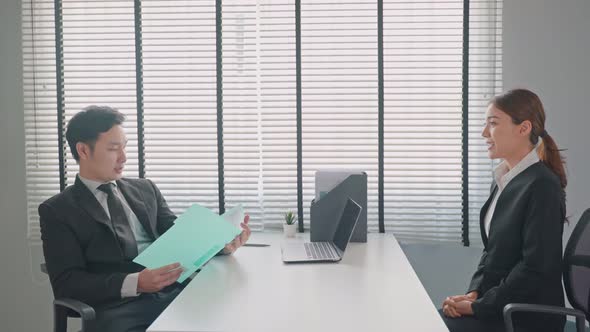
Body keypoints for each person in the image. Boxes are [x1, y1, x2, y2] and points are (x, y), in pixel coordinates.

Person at [39, 106, 251, 332]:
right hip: (120, 309)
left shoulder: (145, 189)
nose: (123, 157)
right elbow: (67, 283)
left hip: (176, 297)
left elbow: (180, 236)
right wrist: (136, 282)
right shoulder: (58, 210)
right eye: (113, 149)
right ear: (83, 150)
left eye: (124, 147)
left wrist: (219, 245)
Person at [440, 89, 567, 332]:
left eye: (493, 124)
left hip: (525, 317)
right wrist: (473, 293)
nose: (484, 133)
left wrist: (480, 306)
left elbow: (535, 268)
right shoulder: (504, 178)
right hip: (499, 305)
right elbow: (493, 252)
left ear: (523, 128)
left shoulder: (542, 186)